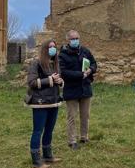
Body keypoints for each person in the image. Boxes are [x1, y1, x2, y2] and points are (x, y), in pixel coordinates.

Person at [26, 39, 64, 168]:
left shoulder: (55, 64)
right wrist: (49, 80)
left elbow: (57, 80)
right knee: (38, 130)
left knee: (49, 130)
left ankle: (48, 155)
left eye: (54, 47)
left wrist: (59, 81)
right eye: (50, 47)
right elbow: (31, 82)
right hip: (40, 103)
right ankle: (36, 160)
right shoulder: (36, 64)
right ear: (44, 49)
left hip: (53, 102)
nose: (53, 49)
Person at [58, 30, 97, 150]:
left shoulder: (85, 51)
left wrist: (90, 70)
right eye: (73, 39)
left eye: (77, 38)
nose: (75, 40)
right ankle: (72, 140)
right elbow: (63, 72)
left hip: (85, 88)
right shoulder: (62, 54)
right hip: (71, 89)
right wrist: (80, 74)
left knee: (85, 115)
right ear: (68, 40)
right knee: (72, 117)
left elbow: (94, 63)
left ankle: (84, 137)